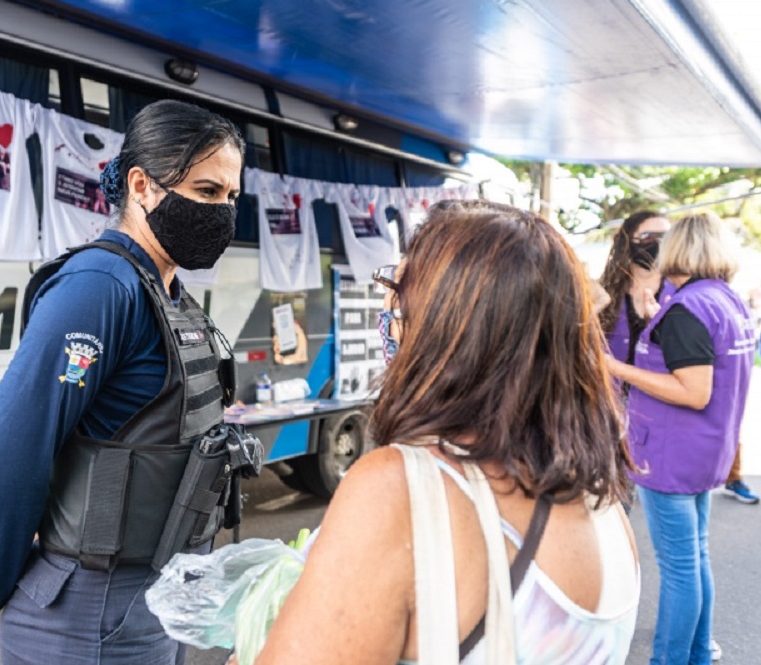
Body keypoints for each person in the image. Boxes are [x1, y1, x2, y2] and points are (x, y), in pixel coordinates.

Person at [245, 201, 641, 664]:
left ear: (446, 325)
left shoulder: (401, 490)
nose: (390, 314)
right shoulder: (601, 494)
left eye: (401, 291)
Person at [0, 99, 247, 664]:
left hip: (154, 598)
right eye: (207, 191)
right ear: (142, 186)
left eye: (231, 196)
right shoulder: (100, 286)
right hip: (88, 608)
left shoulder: (166, 292)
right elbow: (9, 451)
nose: (222, 211)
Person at [607, 211, 755, 665]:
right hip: (704, 450)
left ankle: (670, 659)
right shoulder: (723, 299)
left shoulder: (688, 309)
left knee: (679, 569)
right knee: (695, 557)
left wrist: (613, 367)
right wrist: (660, 323)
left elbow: (694, 391)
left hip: (671, 455)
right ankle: (697, 653)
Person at [599, 210, 673, 372]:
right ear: (627, 241)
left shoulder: (681, 293)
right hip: (611, 385)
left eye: (666, 237)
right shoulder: (605, 292)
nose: (658, 243)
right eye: (648, 237)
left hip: (660, 385)